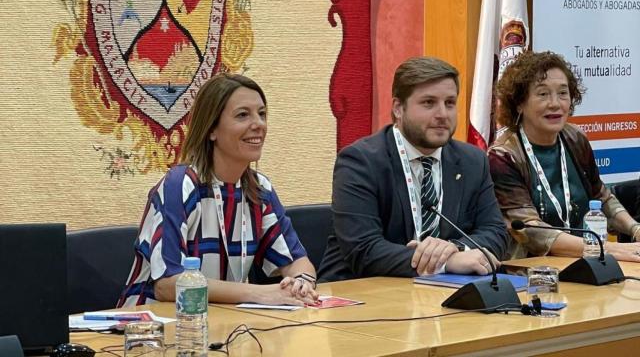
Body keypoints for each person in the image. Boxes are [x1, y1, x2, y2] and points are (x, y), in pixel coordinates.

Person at [118, 73, 319, 307]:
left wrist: (302, 283)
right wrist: (260, 293)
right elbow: (167, 284)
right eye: (243, 115)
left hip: (221, 320)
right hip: (154, 327)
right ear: (211, 129)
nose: (259, 124)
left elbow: (297, 261)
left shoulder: (259, 188)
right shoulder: (180, 185)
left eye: (262, 114)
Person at [318, 57, 509, 281]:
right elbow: (364, 250)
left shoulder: (472, 161)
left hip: (439, 295)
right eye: (429, 103)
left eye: (449, 103)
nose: (442, 114)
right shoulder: (361, 161)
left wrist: (453, 249)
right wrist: (446, 262)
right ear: (398, 108)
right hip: (362, 296)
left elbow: (496, 233)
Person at [488, 50, 640, 261]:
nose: (555, 103)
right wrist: (608, 249)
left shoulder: (575, 138)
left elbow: (601, 197)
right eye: (542, 94)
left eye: (562, 93)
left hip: (588, 261)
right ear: (519, 103)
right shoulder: (503, 156)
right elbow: (530, 230)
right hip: (533, 270)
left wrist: (635, 229)